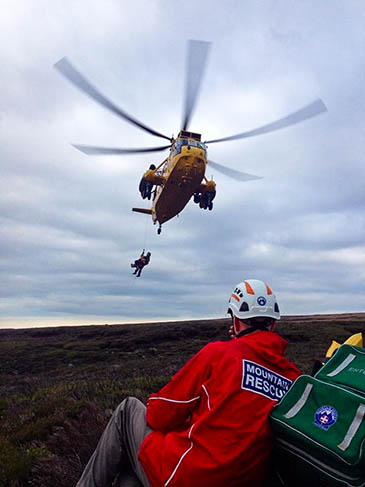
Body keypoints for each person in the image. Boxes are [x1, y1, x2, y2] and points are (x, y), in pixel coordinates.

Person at [76, 279, 301, 487]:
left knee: (128, 410)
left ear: (235, 319)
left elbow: (159, 416)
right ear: (273, 324)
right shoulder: (293, 378)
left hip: (189, 476)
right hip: (242, 479)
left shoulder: (219, 354)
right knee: (131, 474)